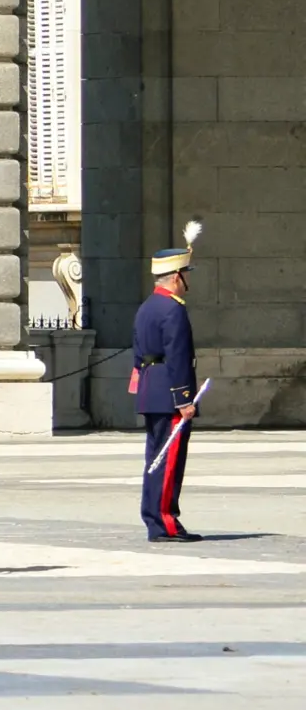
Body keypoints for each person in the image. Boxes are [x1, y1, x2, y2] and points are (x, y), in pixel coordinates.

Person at [131, 229, 204, 542]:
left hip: (151, 390)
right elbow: (177, 355)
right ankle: (165, 522)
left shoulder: (147, 306)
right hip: (169, 393)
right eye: (186, 274)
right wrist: (184, 399)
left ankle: (154, 518)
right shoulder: (173, 309)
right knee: (169, 460)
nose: (188, 280)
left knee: (155, 458)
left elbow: (138, 354)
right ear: (176, 276)